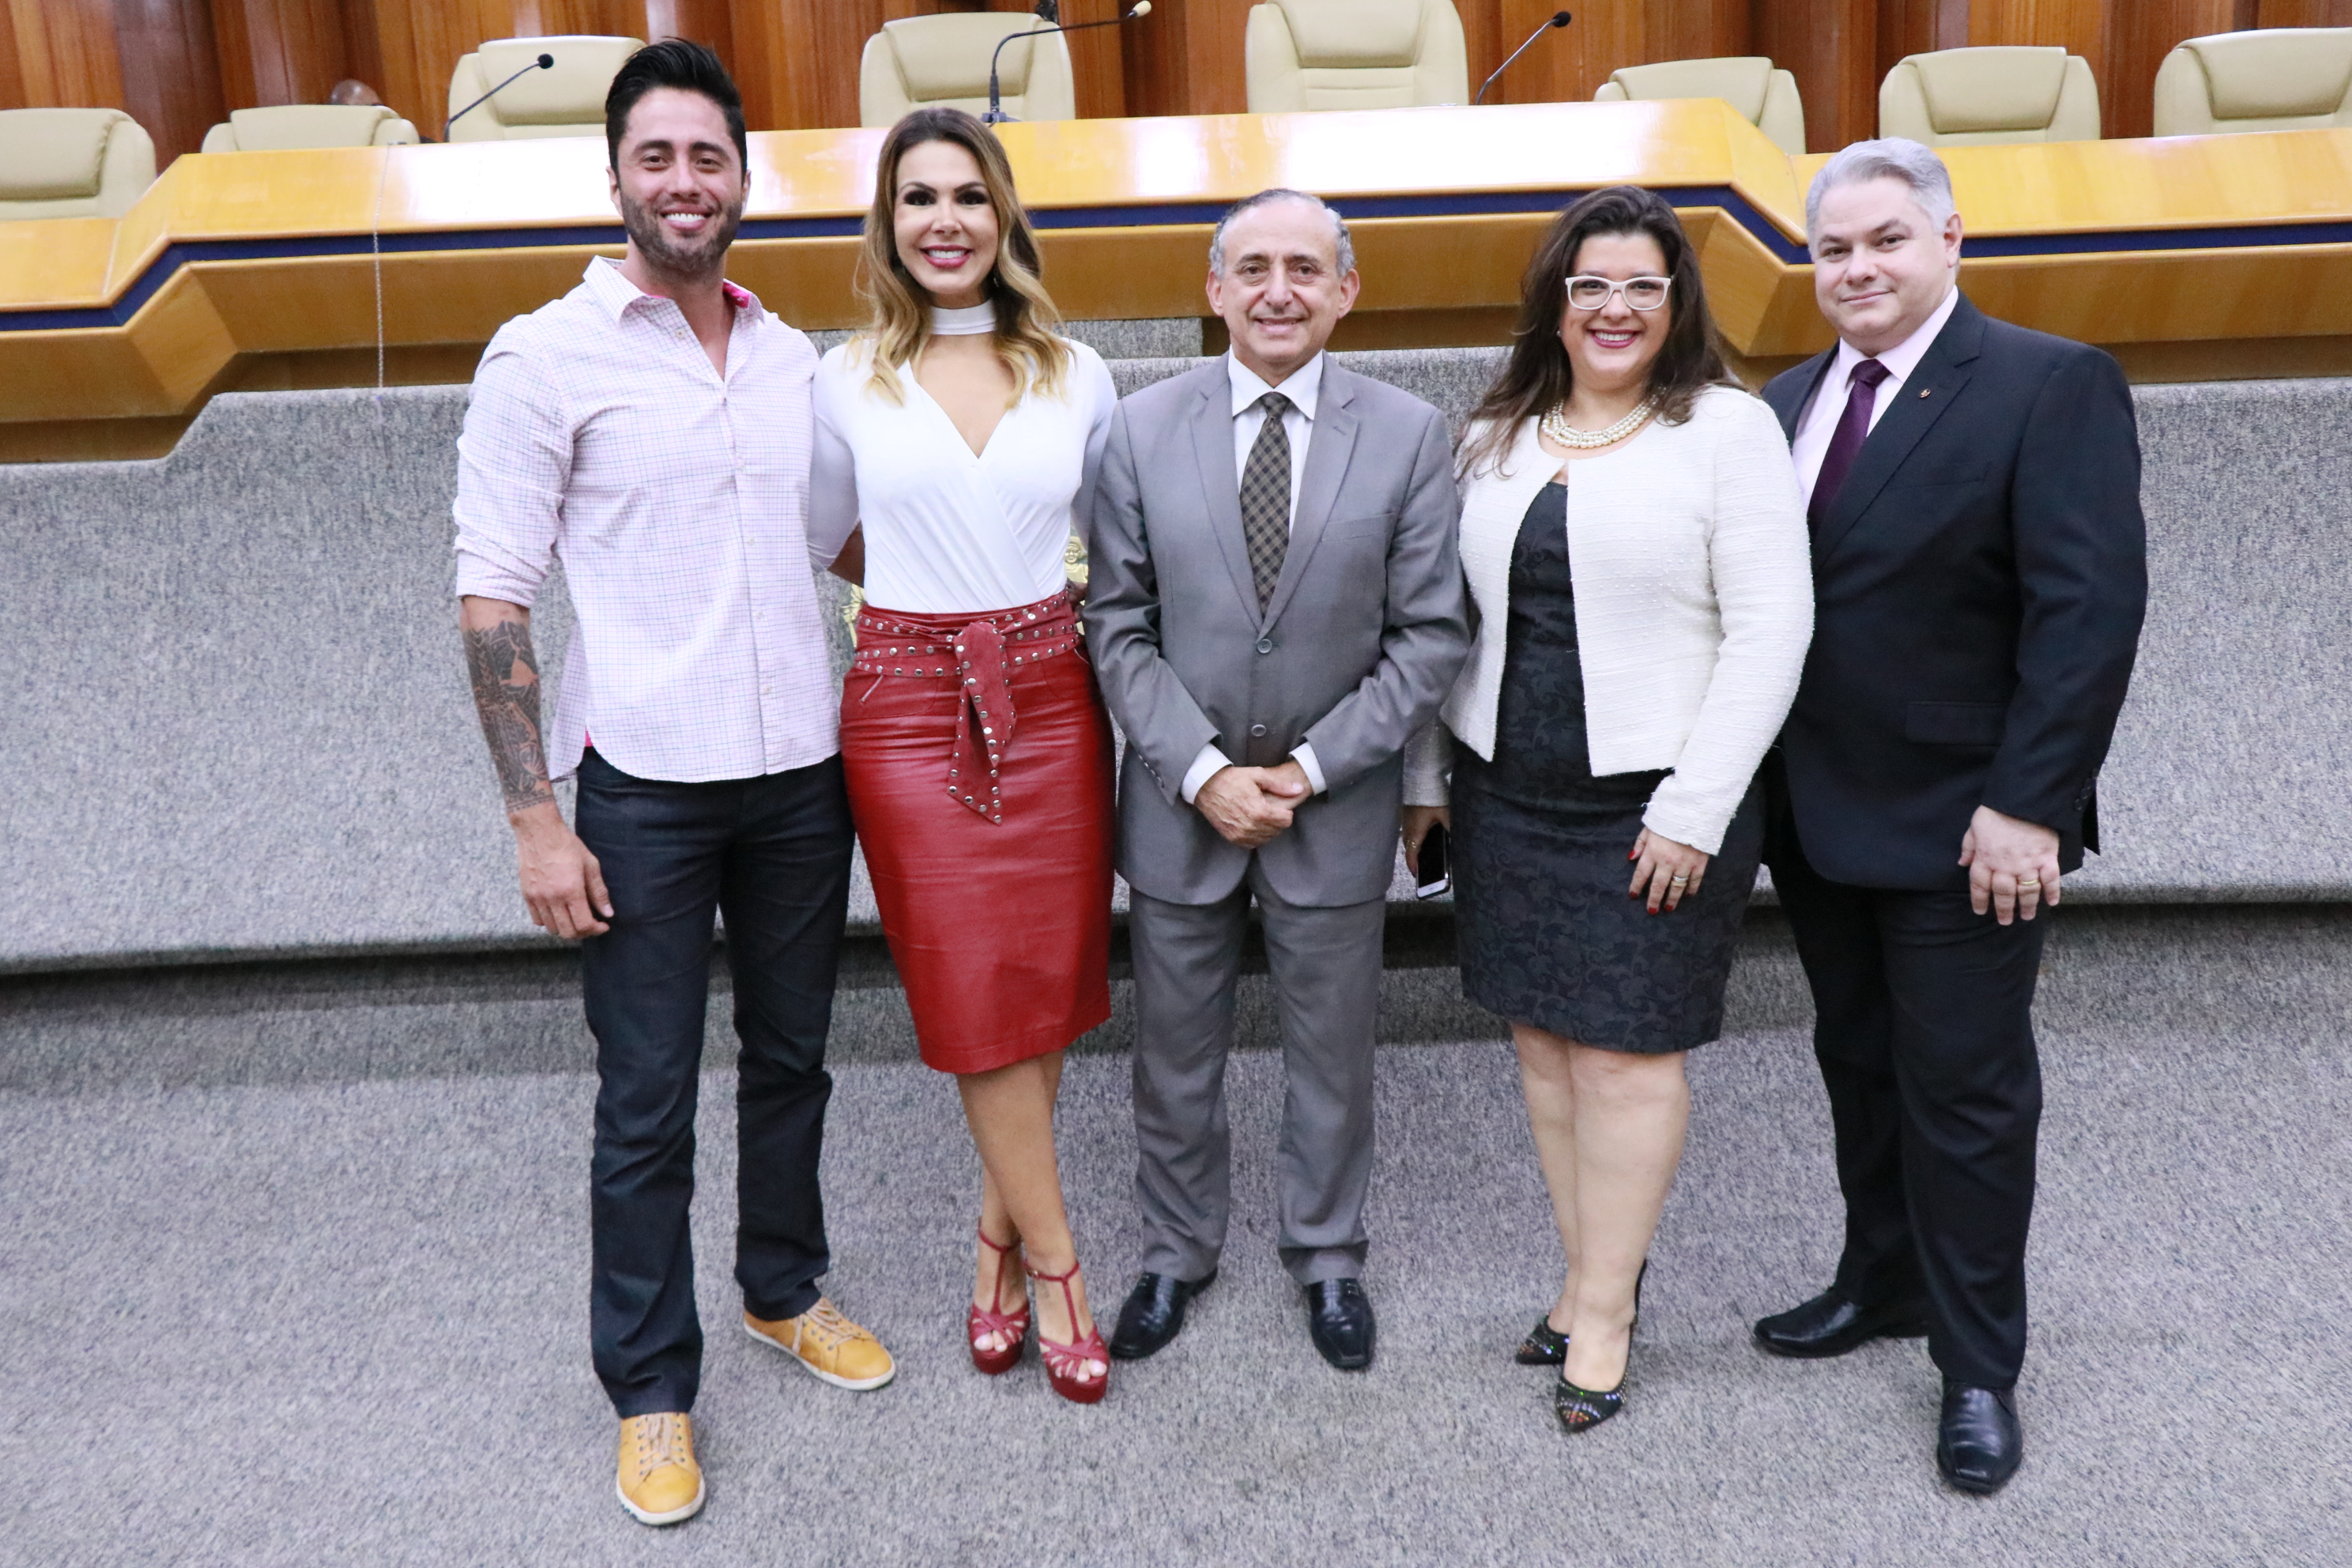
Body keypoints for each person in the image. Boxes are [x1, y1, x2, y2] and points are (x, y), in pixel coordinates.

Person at [451, 41, 895, 1529]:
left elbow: (847, 543)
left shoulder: (792, 360)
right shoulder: (544, 357)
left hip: (802, 777)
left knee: (795, 1061)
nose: (686, 182)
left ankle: (783, 1288)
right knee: (646, 1103)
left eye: (710, 157)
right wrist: (535, 818)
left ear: (743, 179)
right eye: (659, 157)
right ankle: (650, 1388)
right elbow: (494, 601)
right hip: (641, 787)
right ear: (617, 179)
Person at [1751, 139, 2146, 1494]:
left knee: (1966, 1094)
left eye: (1885, 240)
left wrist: (2029, 805)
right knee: (1858, 1060)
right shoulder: (1784, 400)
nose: (1857, 268)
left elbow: (2087, 615)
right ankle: (1883, 1280)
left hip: (1971, 826)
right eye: (1833, 250)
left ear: (1950, 239)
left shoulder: (2049, 383)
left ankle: (1979, 1367)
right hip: (1815, 813)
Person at [1400, 186, 1813, 1433]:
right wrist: (1427, 783)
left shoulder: (1727, 429)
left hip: (1655, 806)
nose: (1616, 307)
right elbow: (1444, 624)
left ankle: (1606, 1315)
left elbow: (1773, 631)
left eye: (1643, 285)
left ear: (1678, 302)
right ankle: (1591, 1281)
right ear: (1557, 301)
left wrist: (1696, 809)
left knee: (1626, 1057)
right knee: (1543, 1045)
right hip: (1508, 791)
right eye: (1592, 285)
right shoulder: (1498, 430)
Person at [1086, 188, 1471, 1373]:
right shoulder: (1139, 428)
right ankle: (1174, 1251)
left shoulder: (1409, 433)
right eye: (1252, 267)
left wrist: (1305, 771)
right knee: (1173, 1054)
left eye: (1305, 268)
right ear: (1215, 289)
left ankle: (1328, 1255)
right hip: (1179, 804)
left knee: (1333, 1054)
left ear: (1346, 290)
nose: (1278, 291)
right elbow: (1117, 625)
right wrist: (1203, 771)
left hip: (1332, 807)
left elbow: (1429, 636)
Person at [806, 107, 1119, 1404]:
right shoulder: (841, 376)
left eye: (968, 196)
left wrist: (1012, 614)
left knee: (1040, 980)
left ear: (1004, 217)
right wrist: (937, 607)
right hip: (905, 701)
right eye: (918, 198)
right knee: (973, 990)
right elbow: (825, 533)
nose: (945, 220)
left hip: (1051, 693)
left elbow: (1106, 533)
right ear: (888, 223)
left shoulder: (1077, 371)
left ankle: (993, 1243)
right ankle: (1058, 1267)